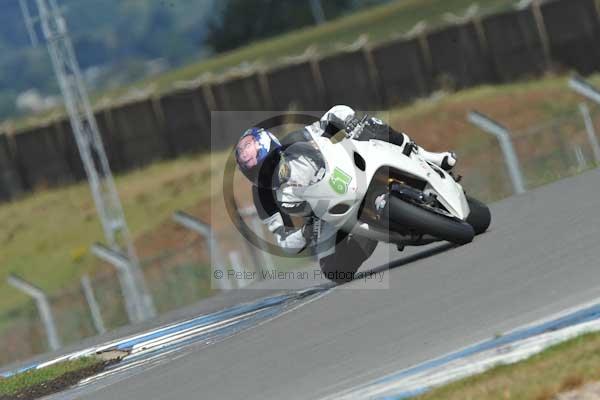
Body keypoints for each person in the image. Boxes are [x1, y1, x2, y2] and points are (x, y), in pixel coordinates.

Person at [234, 105, 456, 283]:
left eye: (270, 163)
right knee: (334, 271)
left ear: (277, 149)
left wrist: (346, 121)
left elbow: (332, 116)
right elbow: (283, 240)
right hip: (324, 215)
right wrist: (305, 232)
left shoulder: (297, 140)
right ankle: (370, 234)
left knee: (368, 126)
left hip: (347, 172)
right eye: (257, 174)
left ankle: (427, 156)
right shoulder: (263, 199)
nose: (267, 173)